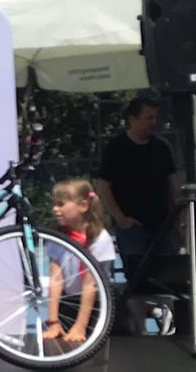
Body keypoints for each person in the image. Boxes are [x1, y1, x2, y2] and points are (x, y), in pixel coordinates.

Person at [93, 96, 183, 309]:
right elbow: (104, 186)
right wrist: (120, 218)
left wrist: (180, 217)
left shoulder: (161, 147)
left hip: (163, 223)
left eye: (155, 117)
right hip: (132, 224)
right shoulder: (116, 148)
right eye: (148, 117)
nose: (153, 122)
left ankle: (169, 317)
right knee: (136, 279)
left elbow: (173, 183)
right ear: (132, 120)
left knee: (171, 277)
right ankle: (139, 322)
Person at [45, 179, 117, 345]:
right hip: (69, 302)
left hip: (97, 305)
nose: (55, 209)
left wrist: (80, 326)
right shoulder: (58, 238)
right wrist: (53, 321)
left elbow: (90, 285)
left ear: (83, 206)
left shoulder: (100, 238)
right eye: (54, 204)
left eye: (61, 204)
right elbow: (55, 279)